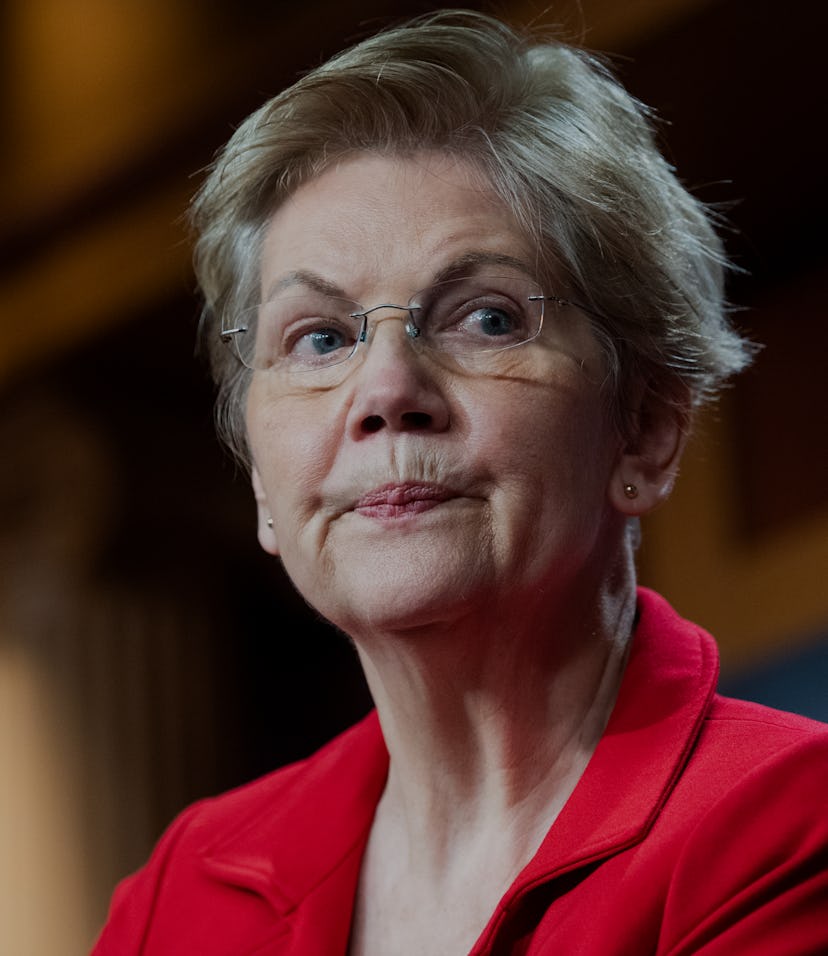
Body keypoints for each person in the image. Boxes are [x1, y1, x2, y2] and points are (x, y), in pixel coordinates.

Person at [93, 10, 828, 955]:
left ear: (643, 428)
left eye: (484, 318)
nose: (388, 391)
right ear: (264, 488)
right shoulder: (180, 895)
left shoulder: (788, 831)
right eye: (318, 338)